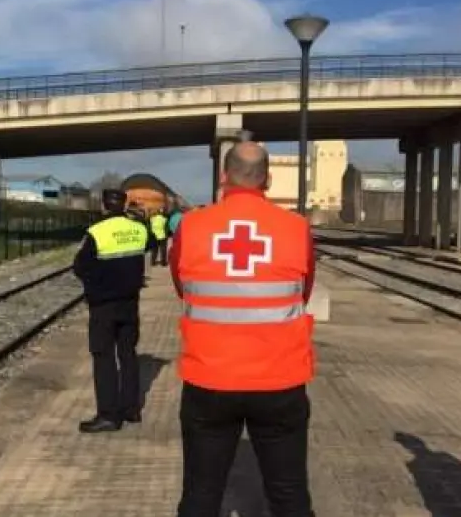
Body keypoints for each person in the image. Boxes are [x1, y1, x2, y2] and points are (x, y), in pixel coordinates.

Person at [169, 139, 317, 516]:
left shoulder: (191, 226)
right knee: (289, 494)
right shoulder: (296, 228)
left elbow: (183, 288)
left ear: (224, 177)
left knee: (201, 493)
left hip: (209, 379)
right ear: (268, 180)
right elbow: (303, 292)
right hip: (279, 379)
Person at [73, 188, 156, 433]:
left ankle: (108, 415)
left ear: (104, 206)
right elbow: (152, 243)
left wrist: (96, 284)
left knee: (104, 357)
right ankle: (131, 409)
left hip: (104, 305)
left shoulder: (97, 231)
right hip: (130, 302)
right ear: (124, 205)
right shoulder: (138, 229)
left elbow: (80, 266)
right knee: (128, 354)